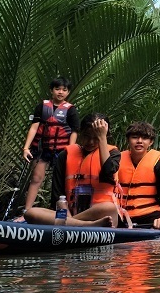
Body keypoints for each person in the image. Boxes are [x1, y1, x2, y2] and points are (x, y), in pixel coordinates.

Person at [23, 113, 119, 227]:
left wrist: (102, 137)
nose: (91, 142)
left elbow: (108, 171)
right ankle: (82, 225)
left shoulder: (113, 153)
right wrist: (67, 217)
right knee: (31, 213)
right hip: (70, 216)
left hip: (100, 215)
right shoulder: (65, 155)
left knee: (109, 207)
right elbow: (58, 195)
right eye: (87, 136)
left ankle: (70, 224)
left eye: (96, 138)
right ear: (80, 133)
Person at [110, 121, 160, 235]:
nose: (139, 141)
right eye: (134, 137)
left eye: (144, 138)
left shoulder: (158, 165)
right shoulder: (116, 160)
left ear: (151, 142)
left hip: (150, 215)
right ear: (128, 140)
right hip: (121, 215)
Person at [19, 77, 80, 217]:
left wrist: (70, 151)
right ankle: (25, 212)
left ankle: (63, 214)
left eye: (64, 90)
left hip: (61, 150)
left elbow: (74, 131)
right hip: (43, 149)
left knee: (61, 182)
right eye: (57, 89)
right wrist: (26, 148)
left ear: (68, 92)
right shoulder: (42, 106)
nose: (60, 92)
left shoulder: (71, 110)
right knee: (36, 178)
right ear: (51, 90)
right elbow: (34, 127)